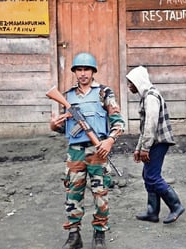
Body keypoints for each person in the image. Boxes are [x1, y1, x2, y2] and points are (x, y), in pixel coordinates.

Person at [49, 52, 125, 249]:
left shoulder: (104, 93)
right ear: (75, 72)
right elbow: (63, 127)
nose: (83, 73)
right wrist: (53, 125)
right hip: (75, 152)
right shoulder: (68, 96)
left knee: (100, 193)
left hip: (97, 150)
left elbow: (118, 122)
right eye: (79, 70)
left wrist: (109, 140)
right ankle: (74, 236)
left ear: (93, 72)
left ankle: (99, 235)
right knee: (73, 193)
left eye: (87, 69)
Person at [126, 66, 185, 224]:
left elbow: (151, 125)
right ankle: (152, 212)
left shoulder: (151, 97)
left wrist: (145, 148)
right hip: (153, 142)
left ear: (138, 82)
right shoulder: (146, 96)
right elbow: (144, 127)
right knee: (147, 175)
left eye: (130, 83)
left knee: (153, 176)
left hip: (158, 142)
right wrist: (139, 149)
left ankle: (176, 205)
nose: (129, 86)